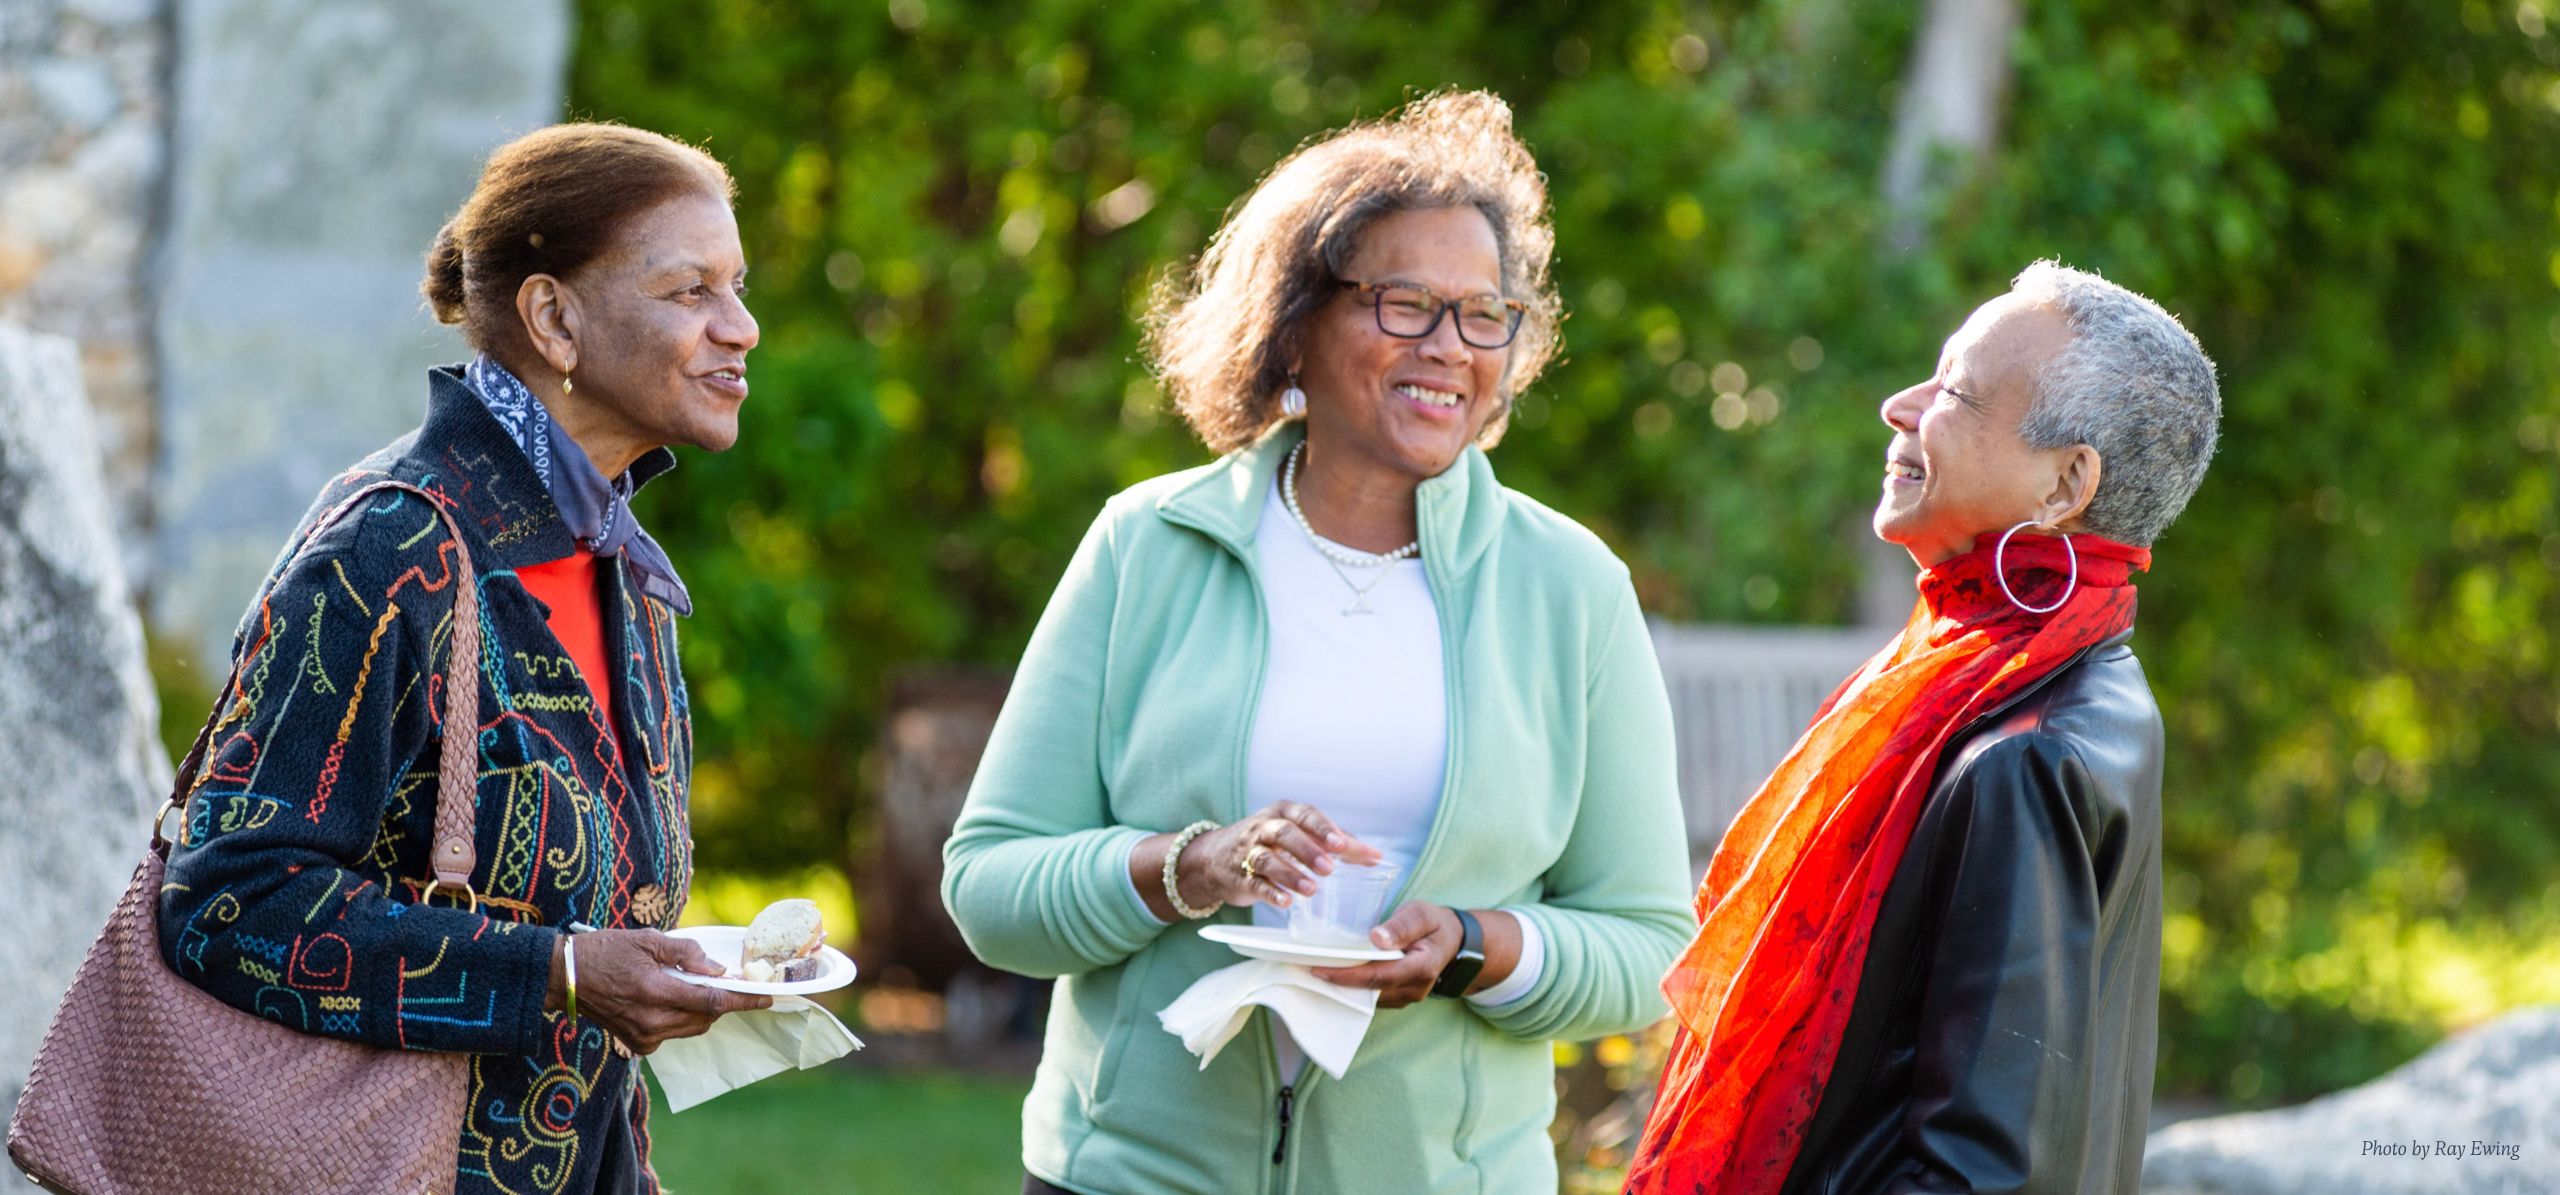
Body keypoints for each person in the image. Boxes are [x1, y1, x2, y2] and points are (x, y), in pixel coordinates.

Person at [941, 91, 1694, 1195]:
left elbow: (1645, 947)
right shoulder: (1147, 544)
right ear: (1294, 320)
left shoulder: (1568, 584)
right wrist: (1186, 867)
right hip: (1133, 1176)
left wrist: (1475, 947)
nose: (1451, 349)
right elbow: (990, 885)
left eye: (1484, 313)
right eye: (1404, 304)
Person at [157, 123, 767, 1194]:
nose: (741, 328)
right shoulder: (391, 549)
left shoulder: (618, 565)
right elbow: (226, 898)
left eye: (738, 287)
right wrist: (560, 972)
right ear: (554, 318)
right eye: (690, 293)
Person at [1626, 262, 2222, 1195]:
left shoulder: (2030, 748)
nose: (1899, 407)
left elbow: (1987, 1171)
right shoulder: (2072, 679)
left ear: (2067, 483)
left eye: (1954, 391)